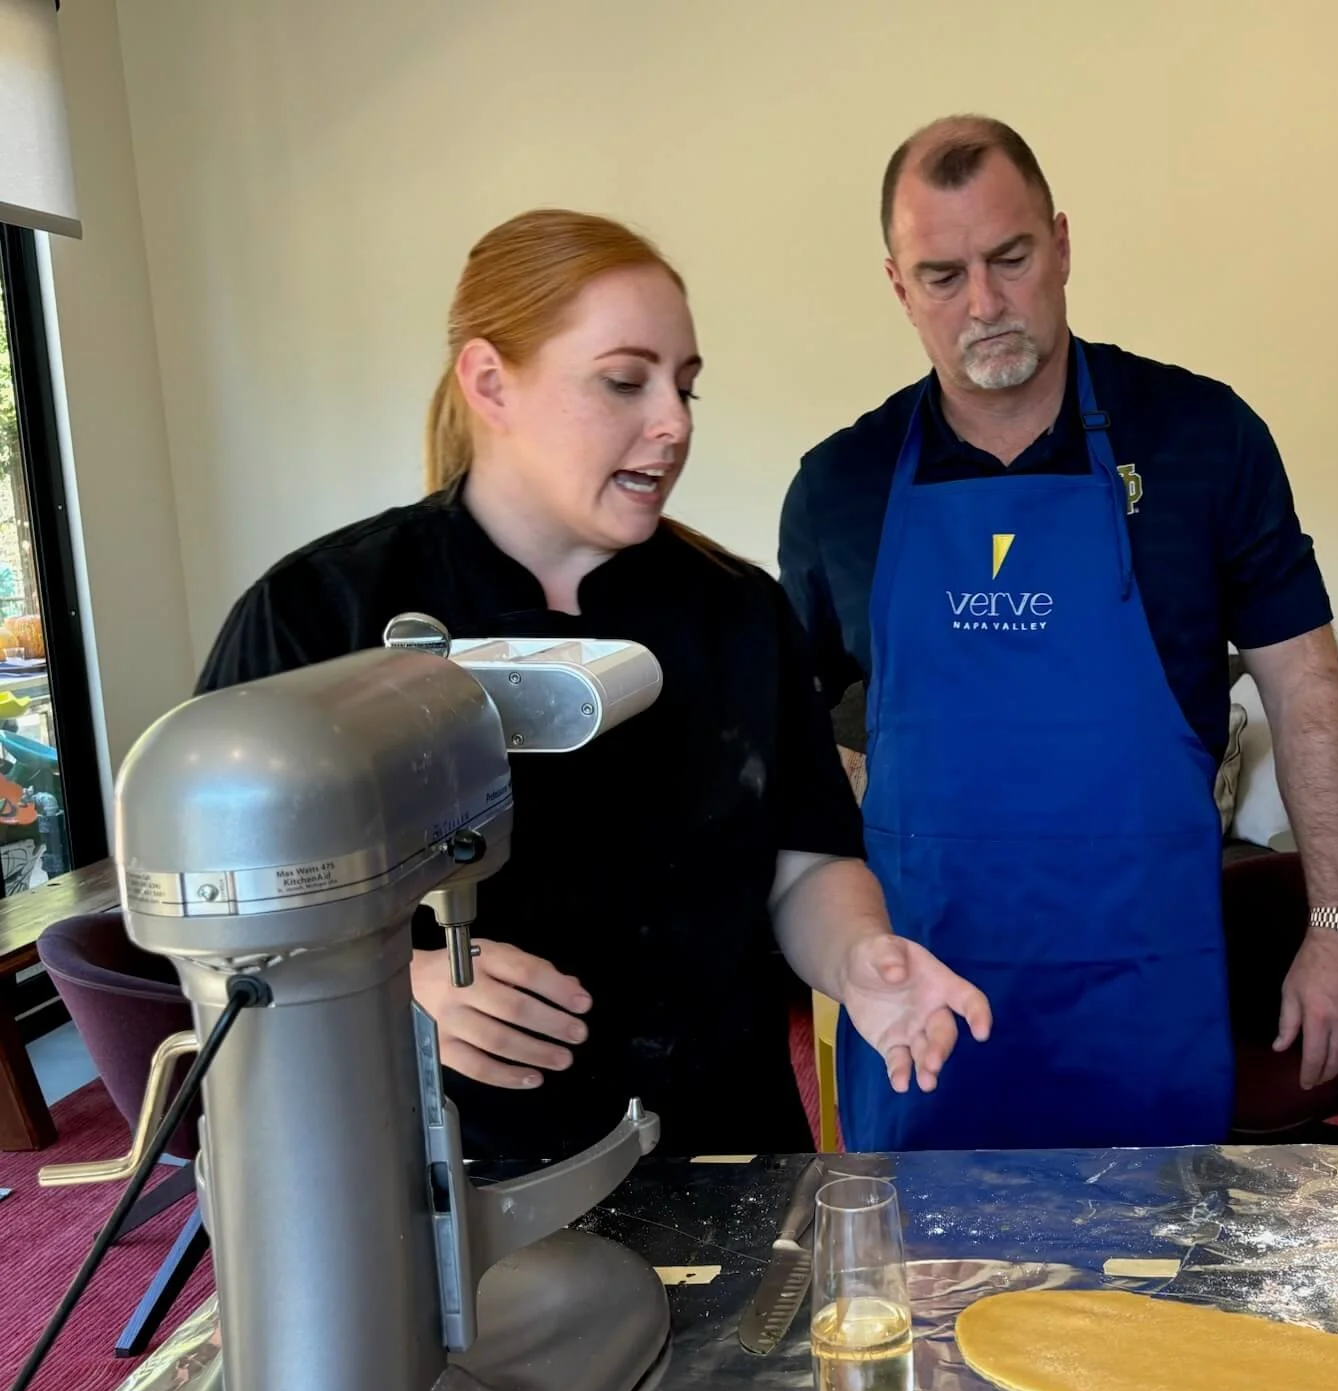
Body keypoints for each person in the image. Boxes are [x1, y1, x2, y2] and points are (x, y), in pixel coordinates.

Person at [198, 208, 989, 1162]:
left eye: (686, 388)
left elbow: (805, 863)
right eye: (624, 382)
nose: (672, 424)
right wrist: (400, 986)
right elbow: (219, 934)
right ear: (490, 381)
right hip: (444, 1179)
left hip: (724, 1151)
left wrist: (863, 959)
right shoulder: (317, 618)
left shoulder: (739, 615)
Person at [779, 116, 1338, 1152]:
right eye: (941, 275)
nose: (983, 304)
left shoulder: (1201, 436)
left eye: (1009, 259)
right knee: (932, 1296)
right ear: (896, 285)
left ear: (1059, 243)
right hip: (927, 1008)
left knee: (1164, 1291)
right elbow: (790, 751)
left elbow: (1305, 685)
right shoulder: (839, 486)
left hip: (1143, 1001)